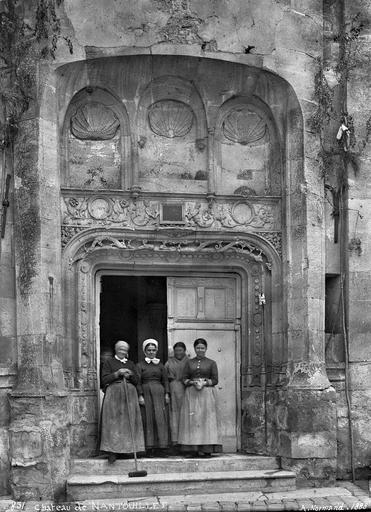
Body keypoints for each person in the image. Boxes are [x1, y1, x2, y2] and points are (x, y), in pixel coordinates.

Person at [100, 340, 145, 464]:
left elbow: (137, 380)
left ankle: (128, 450)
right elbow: (104, 380)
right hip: (114, 395)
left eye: (125, 349)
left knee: (128, 422)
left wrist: (130, 374)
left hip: (129, 395)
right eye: (120, 349)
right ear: (116, 350)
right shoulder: (109, 362)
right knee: (113, 423)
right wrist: (117, 373)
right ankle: (112, 452)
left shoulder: (131, 363)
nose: (122, 351)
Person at [178, 338, 222, 457]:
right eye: (198, 348)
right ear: (195, 349)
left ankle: (206, 449)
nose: (200, 350)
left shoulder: (212, 363)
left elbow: (215, 380)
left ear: (206, 349)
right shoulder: (189, 363)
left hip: (206, 394)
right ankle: (192, 449)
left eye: (202, 348)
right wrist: (192, 382)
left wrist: (205, 383)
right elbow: (184, 378)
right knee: (192, 421)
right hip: (192, 394)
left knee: (206, 421)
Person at [136, 339, 170, 456]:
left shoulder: (161, 365)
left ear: (156, 351)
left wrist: (167, 394)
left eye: (153, 350)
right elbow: (138, 381)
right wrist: (140, 395)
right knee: (148, 418)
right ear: (145, 352)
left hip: (159, 393)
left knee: (160, 419)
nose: (151, 352)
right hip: (146, 393)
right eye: (149, 350)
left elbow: (165, 380)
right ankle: (149, 448)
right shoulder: (140, 365)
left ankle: (161, 447)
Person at [165, 342, 188, 449]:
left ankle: (186, 443)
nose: (178, 353)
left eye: (180, 350)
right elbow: (164, 378)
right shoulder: (169, 363)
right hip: (173, 389)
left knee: (186, 415)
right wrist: (167, 392)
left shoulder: (189, 362)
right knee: (174, 415)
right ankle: (175, 443)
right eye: (176, 351)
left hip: (186, 390)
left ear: (184, 351)